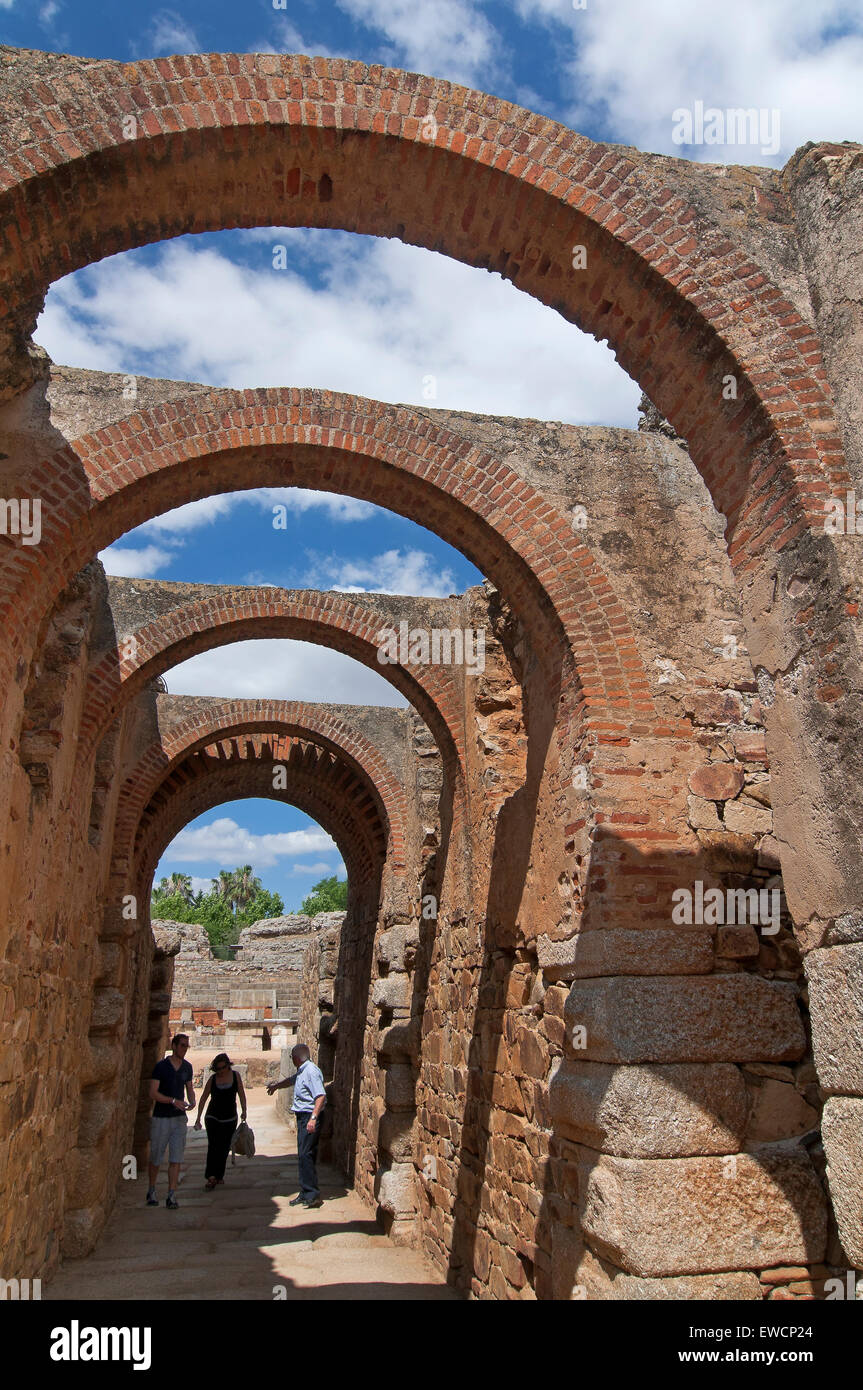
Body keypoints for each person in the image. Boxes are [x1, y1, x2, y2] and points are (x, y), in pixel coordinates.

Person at [267, 1044, 326, 1208]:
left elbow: (320, 1096)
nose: (291, 1059)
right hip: (303, 1116)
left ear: (297, 1058)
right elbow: (291, 1080)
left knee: (306, 1154)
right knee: (303, 1155)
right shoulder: (302, 1070)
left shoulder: (311, 1071)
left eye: (292, 1056)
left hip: (309, 1116)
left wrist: (313, 1118)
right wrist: (276, 1086)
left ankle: (312, 1194)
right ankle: (306, 1192)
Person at [146, 1034, 195, 1209]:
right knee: (157, 1156)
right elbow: (153, 1093)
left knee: (176, 1158)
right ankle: (152, 1189)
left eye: (186, 1046)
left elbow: (189, 1088)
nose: (184, 1049)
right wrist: (172, 1101)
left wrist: (192, 1101)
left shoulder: (187, 1067)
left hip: (179, 1119)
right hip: (161, 1118)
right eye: (182, 1045)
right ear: (174, 1046)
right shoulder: (161, 1067)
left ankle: (171, 1194)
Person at [194, 1053, 247, 1189]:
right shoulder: (213, 1079)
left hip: (229, 1118)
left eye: (223, 1068)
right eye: (217, 1069)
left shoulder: (235, 1077)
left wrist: (244, 1111)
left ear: (228, 1066)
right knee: (213, 1146)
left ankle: (219, 1175)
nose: (220, 1071)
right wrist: (198, 1117)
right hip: (213, 1117)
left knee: (224, 1147)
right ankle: (211, 1176)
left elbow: (241, 1093)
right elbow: (204, 1098)